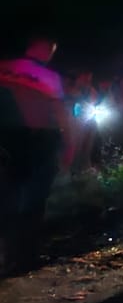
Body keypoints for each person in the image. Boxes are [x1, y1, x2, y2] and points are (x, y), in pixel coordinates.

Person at [0, 35, 70, 273]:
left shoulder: (4, 67)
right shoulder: (49, 77)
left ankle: (8, 253)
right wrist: (69, 145)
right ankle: (24, 257)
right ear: (45, 49)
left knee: (8, 196)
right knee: (34, 199)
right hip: (38, 141)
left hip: (6, 140)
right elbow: (61, 115)